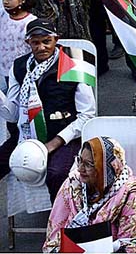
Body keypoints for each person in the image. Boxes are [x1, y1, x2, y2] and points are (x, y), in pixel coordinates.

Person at [0, 19, 96, 200]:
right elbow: (13, 114)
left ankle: (60, 222)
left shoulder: (73, 65)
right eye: (36, 42)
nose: (41, 47)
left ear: (56, 40)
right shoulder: (19, 67)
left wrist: (54, 144)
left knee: (57, 174)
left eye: (46, 41)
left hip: (64, 136)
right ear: (28, 43)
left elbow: (87, 115)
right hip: (26, 134)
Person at [44, 137, 136, 252]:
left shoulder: (132, 197)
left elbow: (129, 248)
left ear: (108, 169)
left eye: (88, 165)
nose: (80, 169)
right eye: (80, 160)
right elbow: (54, 234)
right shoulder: (72, 185)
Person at [0, 0, 36, 92]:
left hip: (21, 73)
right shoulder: (2, 15)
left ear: (22, 0)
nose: (5, 2)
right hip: (2, 73)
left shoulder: (31, 22)